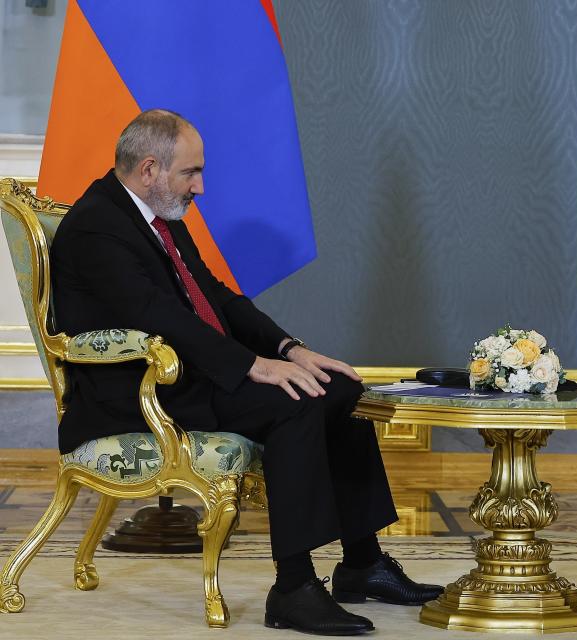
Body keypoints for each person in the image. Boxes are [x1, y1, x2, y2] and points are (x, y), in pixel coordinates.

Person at [51, 109, 442, 636]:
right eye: (191, 173)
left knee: (338, 387)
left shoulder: (154, 216)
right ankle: (294, 589)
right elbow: (157, 316)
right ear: (149, 170)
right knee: (296, 404)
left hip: (189, 376)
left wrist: (290, 349)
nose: (201, 186)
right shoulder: (96, 227)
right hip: (137, 393)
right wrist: (254, 366)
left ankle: (361, 565)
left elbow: (215, 297)